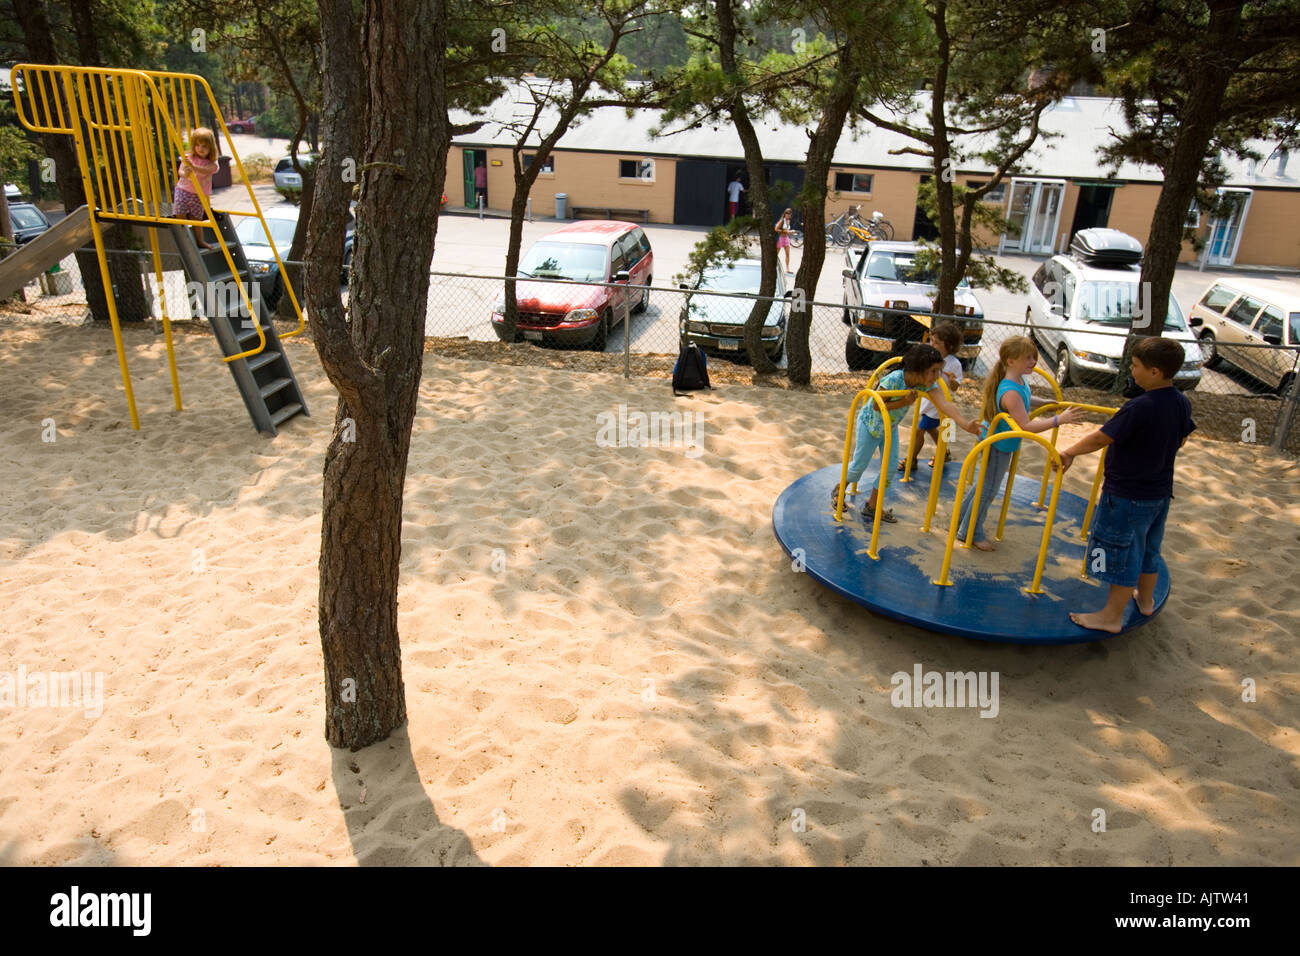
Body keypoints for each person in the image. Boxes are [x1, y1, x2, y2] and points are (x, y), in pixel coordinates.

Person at [1059, 337, 1195, 633]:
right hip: (1159, 494)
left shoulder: (1140, 407)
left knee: (1122, 552)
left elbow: (1100, 438)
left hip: (1127, 495)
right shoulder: (1181, 402)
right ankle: (1144, 599)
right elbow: (1182, 439)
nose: (1131, 371)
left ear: (1155, 372)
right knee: (1149, 548)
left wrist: (1069, 451)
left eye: (1135, 366)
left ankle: (1111, 617)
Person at [831, 344, 981, 524]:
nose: (937, 377)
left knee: (891, 466)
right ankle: (839, 490)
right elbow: (877, 406)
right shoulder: (895, 379)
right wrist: (904, 401)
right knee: (859, 465)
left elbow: (945, 405)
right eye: (933, 371)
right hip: (870, 425)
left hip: (890, 427)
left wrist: (965, 424)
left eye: (938, 371)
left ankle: (872, 505)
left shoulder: (925, 384)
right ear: (919, 369)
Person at [955, 336, 1080, 551]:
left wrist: (1045, 403)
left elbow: (1025, 399)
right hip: (997, 445)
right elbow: (1026, 426)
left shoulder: (1017, 381)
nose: (1033, 362)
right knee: (988, 490)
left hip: (1000, 441)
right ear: (1011, 361)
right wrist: (1059, 420)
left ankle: (962, 522)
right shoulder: (1010, 390)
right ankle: (970, 532)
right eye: (1028, 358)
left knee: (984, 485)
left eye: (1034, 357)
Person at [900, 321, 964, 471]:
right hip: (927, 402)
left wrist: (953, 381)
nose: (932, 344)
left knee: (919, 431)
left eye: (937, 343)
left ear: (949, 346)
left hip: (938, 405)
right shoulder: (929, 357)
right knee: (932, 429)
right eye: (931, 340)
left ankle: (911, 460)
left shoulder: (954, 364)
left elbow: (955, 387)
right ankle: (944, 453)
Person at [173, 127, 219, 250]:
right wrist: (185, 173)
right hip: (184, 190)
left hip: (199, 194)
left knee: (197, 218)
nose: (200, 149)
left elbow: (206, 171)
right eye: (197, 145)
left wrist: (193, 167)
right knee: (180, 213)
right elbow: (180, 171)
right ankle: (184, 237)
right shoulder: (189, 157)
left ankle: (200, 241)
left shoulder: (212, 163)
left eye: (204, 146)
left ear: (211, 148)